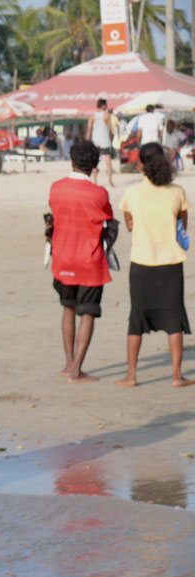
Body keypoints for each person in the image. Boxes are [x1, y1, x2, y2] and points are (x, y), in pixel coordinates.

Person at [115, 142, 193, 388]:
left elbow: (129, 223)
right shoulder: (177, 192)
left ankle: (131, 375)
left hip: (142, 262)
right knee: (174, 317)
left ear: (140, 165)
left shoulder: (133, 193)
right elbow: (183, 223)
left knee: (136, 317)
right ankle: (176, 375)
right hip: (171, 263)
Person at [49, 140, 114, 382]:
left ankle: (68, 364)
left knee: (68, 307)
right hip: (90, 261)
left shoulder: (56, 188)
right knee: (88, 312)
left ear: (72, 161)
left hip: (63, 258)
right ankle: (77, 368)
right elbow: (108, 220)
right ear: (94, 166)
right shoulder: (99, 194)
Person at [87, 98, 114, 187]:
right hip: (105, 140)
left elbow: (89, 129)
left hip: (95, 141)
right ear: (103, 105)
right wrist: (111, 138)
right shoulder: (106, 115)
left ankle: (95, 182)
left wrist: (87, 141)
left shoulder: (92, 115)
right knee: (108, 162)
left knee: (95, 163)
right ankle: (110, 181)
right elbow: (110, 129)